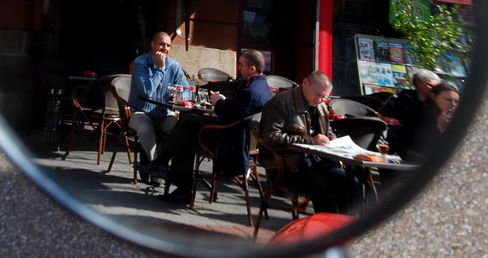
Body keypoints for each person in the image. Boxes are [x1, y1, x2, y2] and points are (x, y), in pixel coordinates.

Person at [158, 50, 273, 204]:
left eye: (241, 65)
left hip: (230, 142)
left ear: (252, 68)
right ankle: (165, 167)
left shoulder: (251, 91)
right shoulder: (263, 87)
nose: (238, 68)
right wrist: (224, 101)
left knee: (186, 132)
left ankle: (176, 182)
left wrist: (218, 102)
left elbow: (229, 117)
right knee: (188, 123)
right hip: (244, 141)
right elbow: (240, 110)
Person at [258, 71, 358, 215]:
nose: (320, 100)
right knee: (325, 186)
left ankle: (348, 226)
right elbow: (271, 137)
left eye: (325, 97)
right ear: (305, 83)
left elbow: (327, 132)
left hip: (318, 161)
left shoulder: (321, 106)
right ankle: (325, 231)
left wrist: (337, 143)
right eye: (318, 94)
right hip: (289, 165)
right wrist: (310, 141)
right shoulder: (281, 102)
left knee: (351, 182)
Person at [128, 32, 188, 172]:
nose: (165, 48)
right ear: (152, 44)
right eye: (161, 44)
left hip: (164, 112)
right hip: (140, 111)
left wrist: (179, 96)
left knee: (180, 131)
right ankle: (156, 164)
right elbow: (147, 92)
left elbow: (187, 90)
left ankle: (168, 167)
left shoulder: (174, 65)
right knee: (146, 129)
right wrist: (160, 69)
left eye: (168, 45)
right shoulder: (140, 63)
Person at [382, 69, 440, 157]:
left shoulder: (435, 102)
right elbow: (404, 116)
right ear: (418, 83)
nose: (433, 89)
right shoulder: (406, 96)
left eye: (436, 87)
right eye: (430, 85)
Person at [401, 82, 460, 163]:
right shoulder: (417, 113)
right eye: (448, 100)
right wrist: (439, 128)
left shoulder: (456, 118)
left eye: (456, 102)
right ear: (433, 97)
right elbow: (416, 144)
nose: (453, 105)